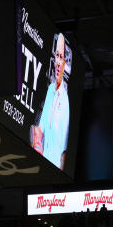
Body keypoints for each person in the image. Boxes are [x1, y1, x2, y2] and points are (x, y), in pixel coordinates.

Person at [30, 34, 70, 170]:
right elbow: (39, 130)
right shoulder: (50, 89)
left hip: (54, 171)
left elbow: (64, 152)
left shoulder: (65, 101)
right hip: (39, 165)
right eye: (56, 56)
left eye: (61, 57)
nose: (58, 62)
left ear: (65, 62)